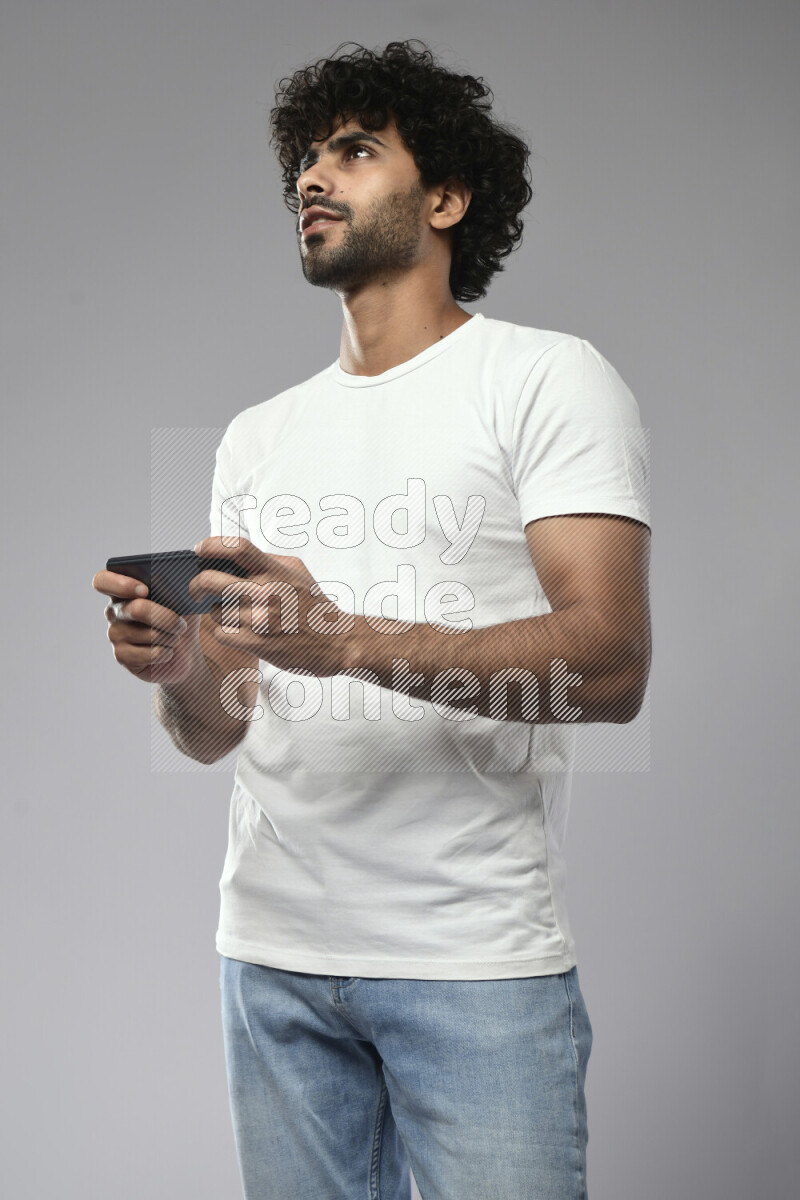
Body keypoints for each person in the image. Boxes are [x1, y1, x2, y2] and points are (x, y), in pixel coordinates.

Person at [93, 39, 651, 1200]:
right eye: (303, 157)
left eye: (352, 151)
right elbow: (218, 730)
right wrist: (182, 667)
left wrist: (343, 639)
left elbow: (605, 667)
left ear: (443, 197)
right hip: (271, 961)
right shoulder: (258, 434)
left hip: (470, 966)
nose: (310, 177)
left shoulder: (545, 379)